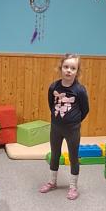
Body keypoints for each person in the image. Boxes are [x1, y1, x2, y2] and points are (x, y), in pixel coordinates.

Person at [39, 54, 89, 201]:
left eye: (73, 68)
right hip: (56, 127)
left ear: (77, 71)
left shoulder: (79, 90)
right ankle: (52, 182)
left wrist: (74, 121)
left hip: (72, 129)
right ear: (61, 68)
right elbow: (51, 104)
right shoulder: (53, 87)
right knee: (55, 154)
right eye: (66, 67)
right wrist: (58, 119)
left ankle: (73, 187)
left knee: (73, 157)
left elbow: (85, 109)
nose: (68, 70)